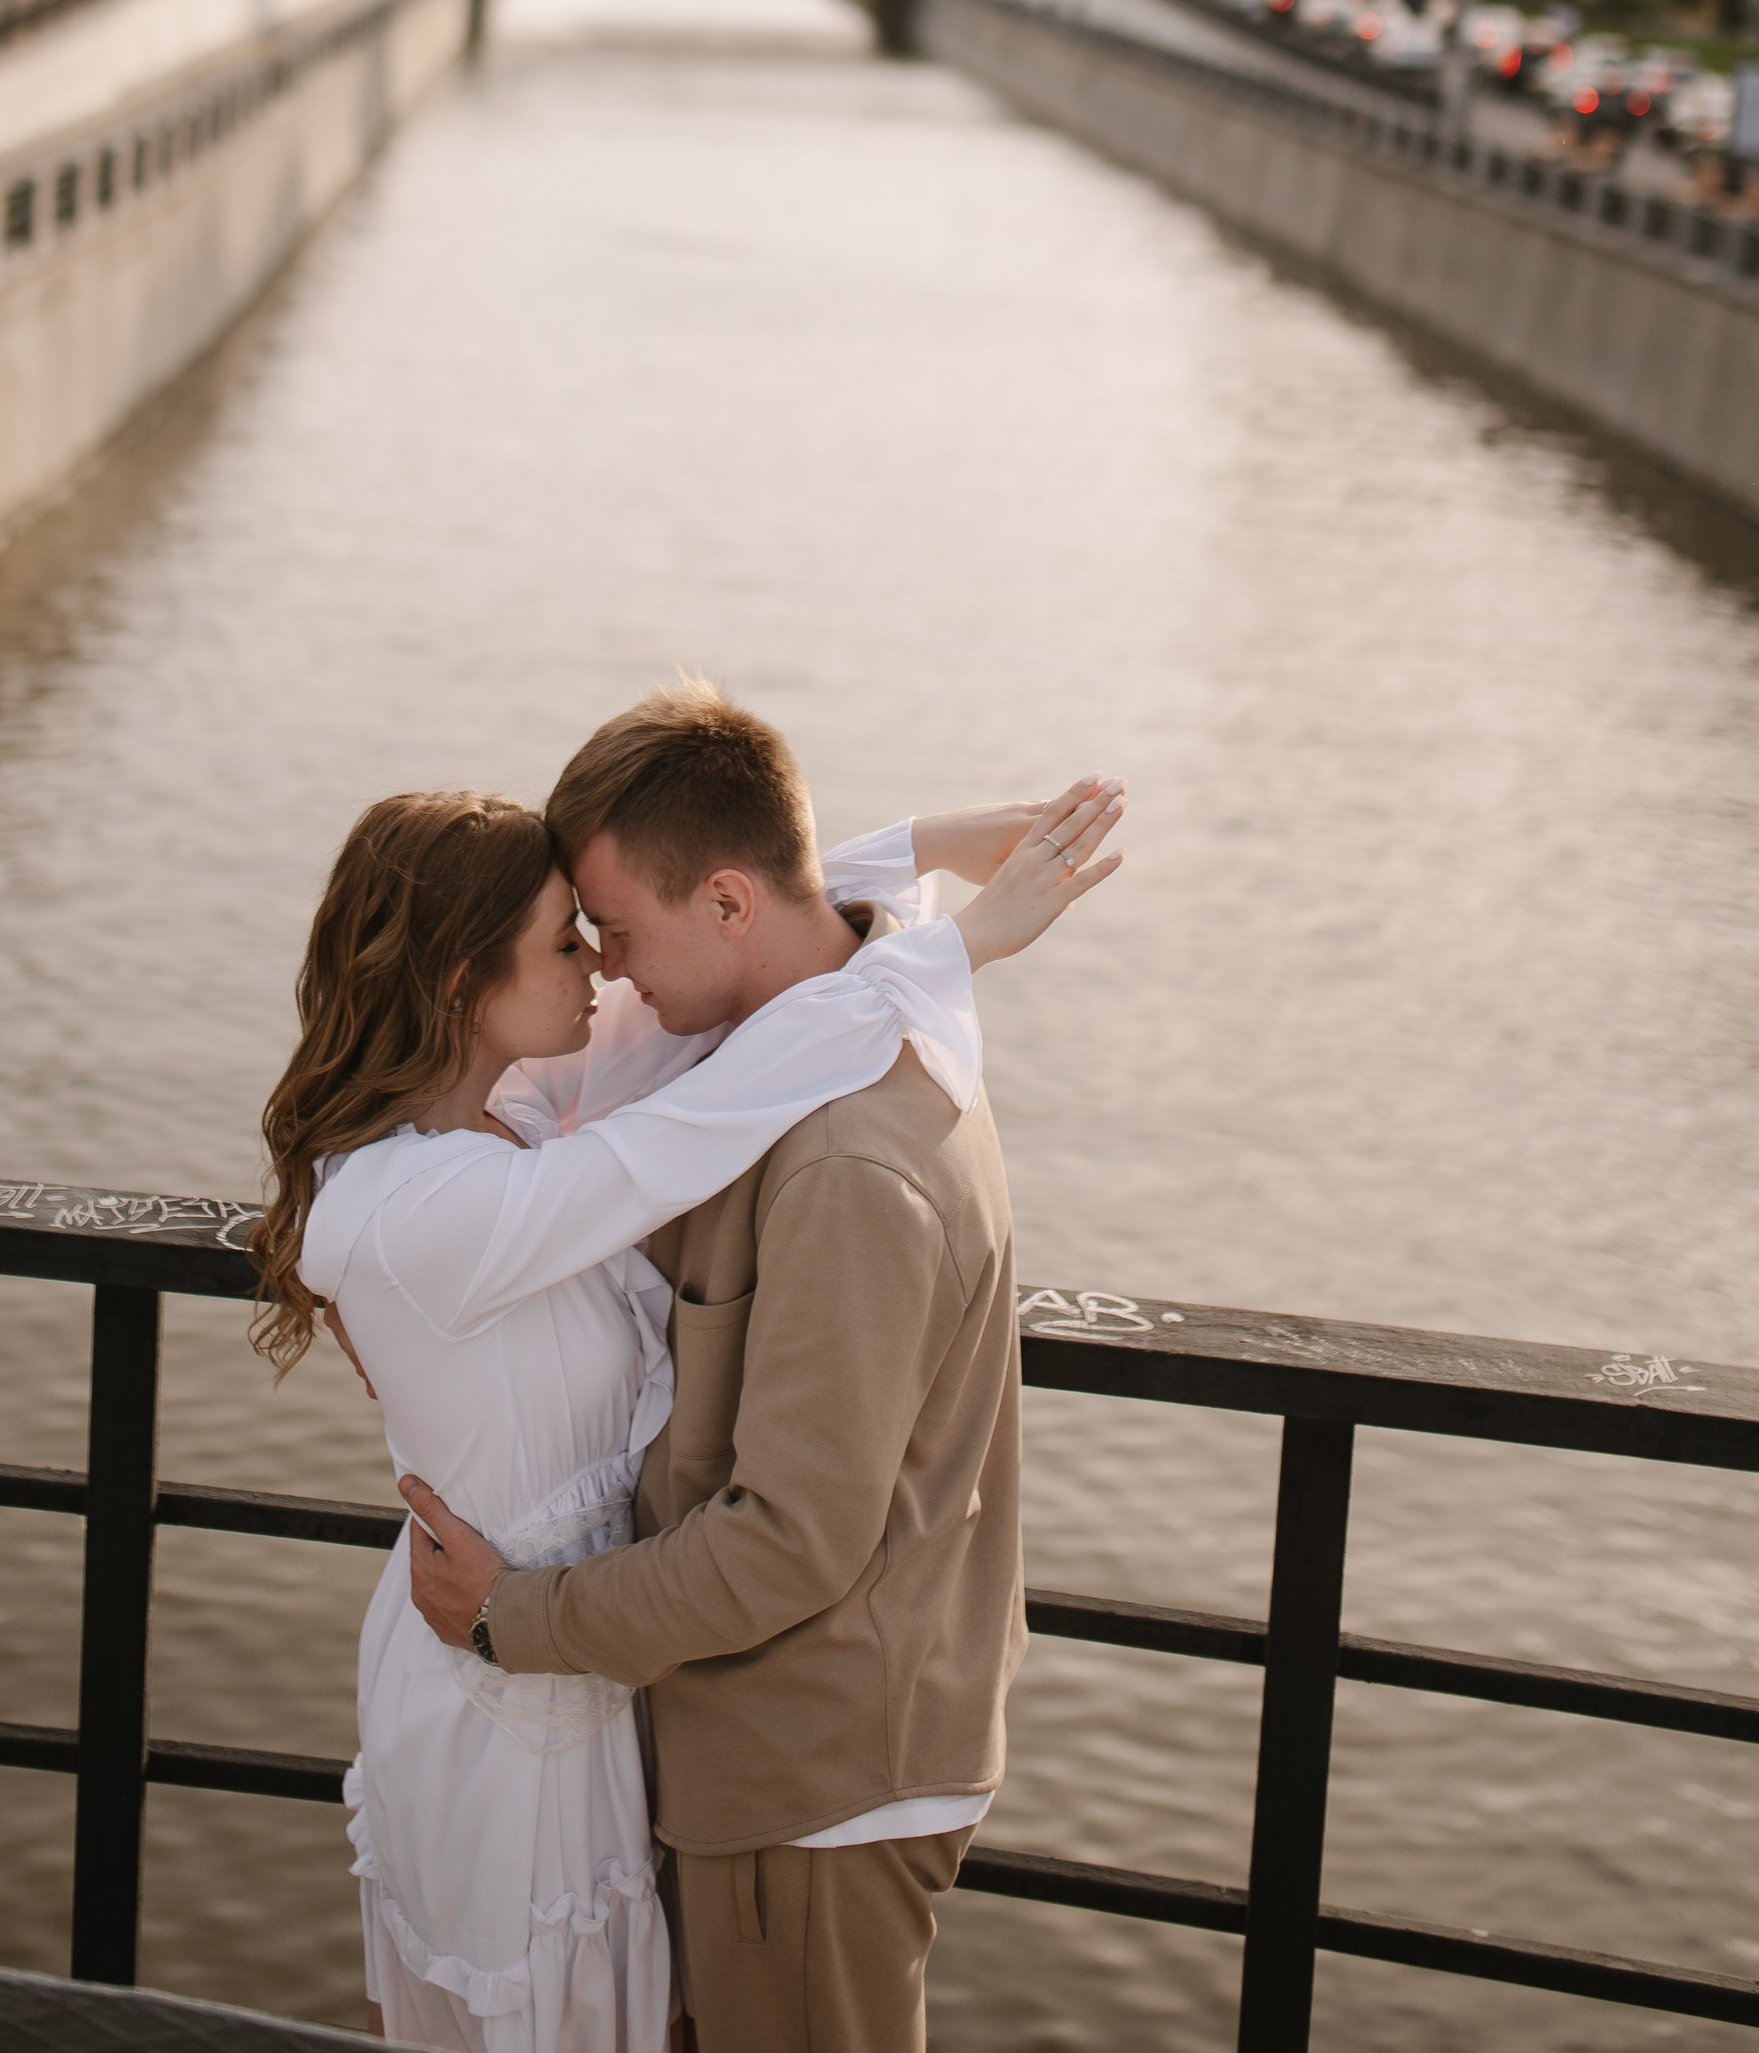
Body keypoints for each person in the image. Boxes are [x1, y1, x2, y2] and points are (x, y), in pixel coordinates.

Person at [252, 733, 1123, 2053]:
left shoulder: (548, 1109)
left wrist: (928, 857)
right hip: (517, 1674)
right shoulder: (463, 1183)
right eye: (570, 937)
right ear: (457, 982)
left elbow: (765, 940)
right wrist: (949, 944)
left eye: (599, 927)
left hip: (623, 1673)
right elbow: (737, 1017)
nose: (603, 968)